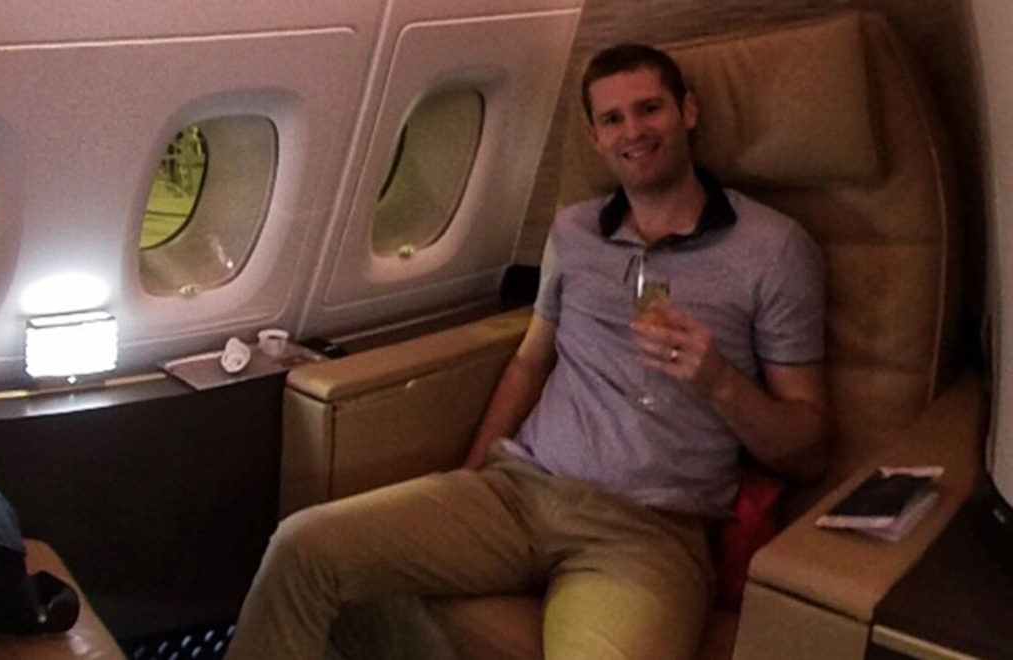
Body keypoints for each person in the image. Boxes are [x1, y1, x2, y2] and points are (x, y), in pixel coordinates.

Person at [225, 43, 829, 660]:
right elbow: (530, 362)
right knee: (301, 547)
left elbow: (806, 447)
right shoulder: (573, 231)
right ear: (595, 137)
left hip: (648, 530)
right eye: (613, 119)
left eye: (650, 109)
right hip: (520, 491)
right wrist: (472, 475)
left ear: (688, 112)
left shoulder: (772, 249)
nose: (634, 131)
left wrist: (720, 380)